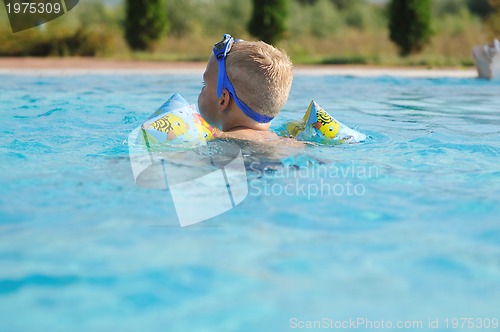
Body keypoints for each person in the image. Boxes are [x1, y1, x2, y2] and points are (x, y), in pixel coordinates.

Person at [198, 34, 294, 141]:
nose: (202, 89)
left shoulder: (217, 137)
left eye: (204, 84)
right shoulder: (287, 140)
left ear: (223, 100)